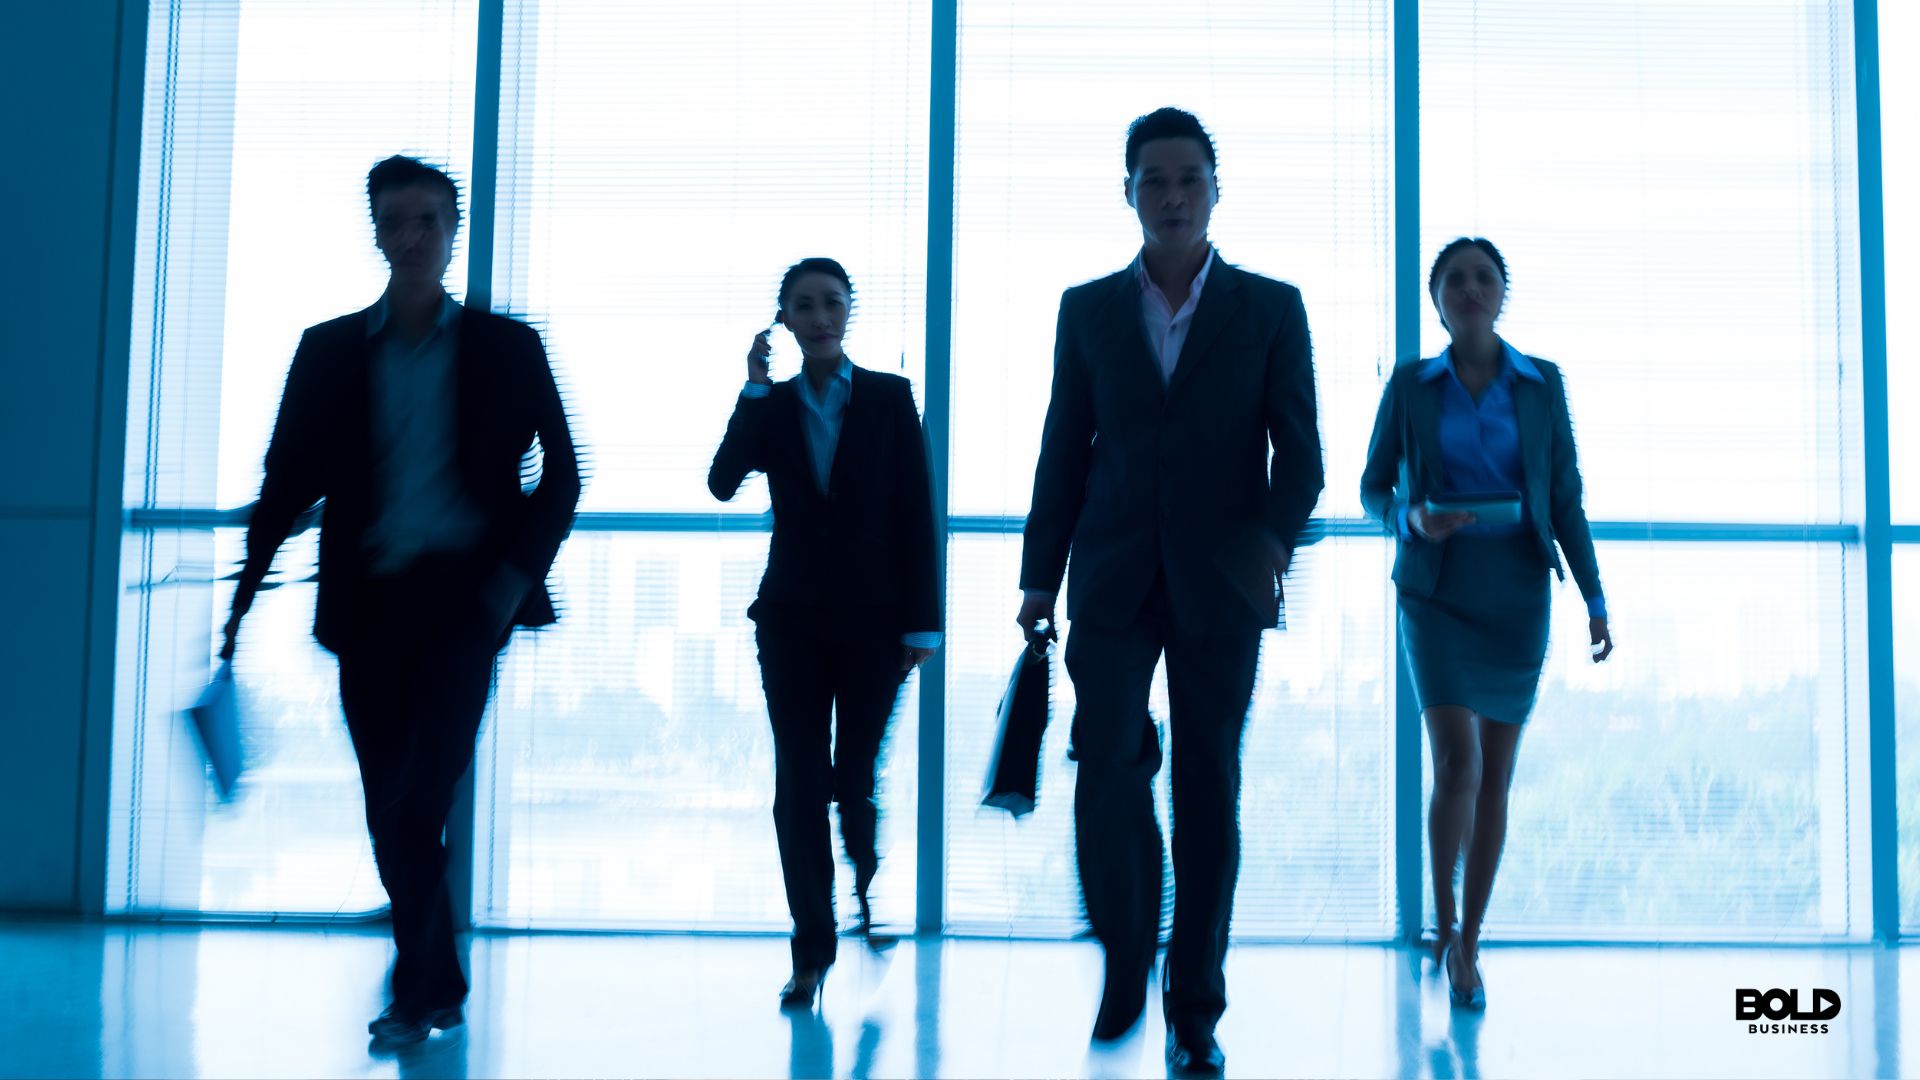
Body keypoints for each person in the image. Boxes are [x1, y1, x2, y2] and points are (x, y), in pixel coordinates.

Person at [222, 155, 580, 1046]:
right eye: (395, 221)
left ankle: (417, 994)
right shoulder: (329, 349)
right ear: (376, 233)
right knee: (392, 805)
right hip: (368, 605)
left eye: (428, 220)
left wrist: (509, 583)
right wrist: (240, 602)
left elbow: (564, 477)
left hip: (466, 606)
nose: (412, 236)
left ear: (453, 232)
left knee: (419, 802)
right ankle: (440, 981)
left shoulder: (508, 348)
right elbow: (284, 480)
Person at [1016, 107, 1323, 1076]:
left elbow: (1302, 456)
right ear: (1130, 194)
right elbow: (1063, 451)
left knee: (1206, 792)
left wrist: (1270, 543)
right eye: (1155, 179)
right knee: (1105, 761)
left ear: (1215, 190)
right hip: (1107, 575)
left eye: (1190, 178)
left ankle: (1193, 1009)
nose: (1174, 195)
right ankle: (1122, 953)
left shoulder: (1271, 308)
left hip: (1222, 584)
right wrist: (1036, 572)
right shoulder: (1087, 309)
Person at [1359, 236, 1614, 1010]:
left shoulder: (1541, 384)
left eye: (1483, 278)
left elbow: (1564, 495)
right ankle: (1440, 928)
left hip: (1516, 591)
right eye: (1454, 280)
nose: (1470, 289)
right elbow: (1373, 489)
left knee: (1495, 775)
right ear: (1436, 299)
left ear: (1502, 294)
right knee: (1457, 767)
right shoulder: (1411, 385)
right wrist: (1410, 518)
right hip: (1434, 590)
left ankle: (1471, 937)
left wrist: (1596, 598)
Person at [708, 257, 941, 1009]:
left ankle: (863, 881)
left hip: (877, 625)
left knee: (853, 778)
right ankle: (812, 949)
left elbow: (916, 512)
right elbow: (721, 480)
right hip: (792, 622)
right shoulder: (770, 407)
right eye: (802, 306)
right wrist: (750, 388)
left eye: (830, 303)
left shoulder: (889, 397)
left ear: (850, 312)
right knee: (798, 785)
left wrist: (923, 624)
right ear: (784, 316)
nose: (818, 317)